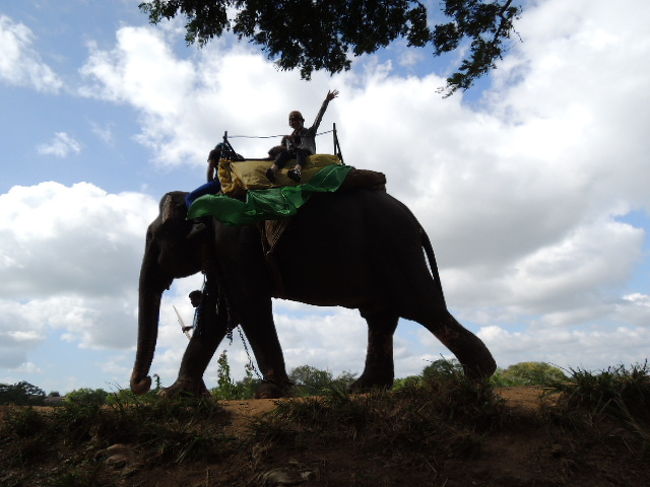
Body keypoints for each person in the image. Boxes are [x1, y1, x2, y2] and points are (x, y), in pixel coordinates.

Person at [266, 89, 339, 183]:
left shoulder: (309, 132)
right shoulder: (290, 137)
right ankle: (272, 171)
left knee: (300, 151)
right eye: (292, 121)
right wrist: (285, 145)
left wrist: (326, 101)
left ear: (301, 121)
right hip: (294, 155)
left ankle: (297, 171)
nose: (294, 122)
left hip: (305, 154)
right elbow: (287, 151)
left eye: (296, 120)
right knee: (284, 154)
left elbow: (319, 117)